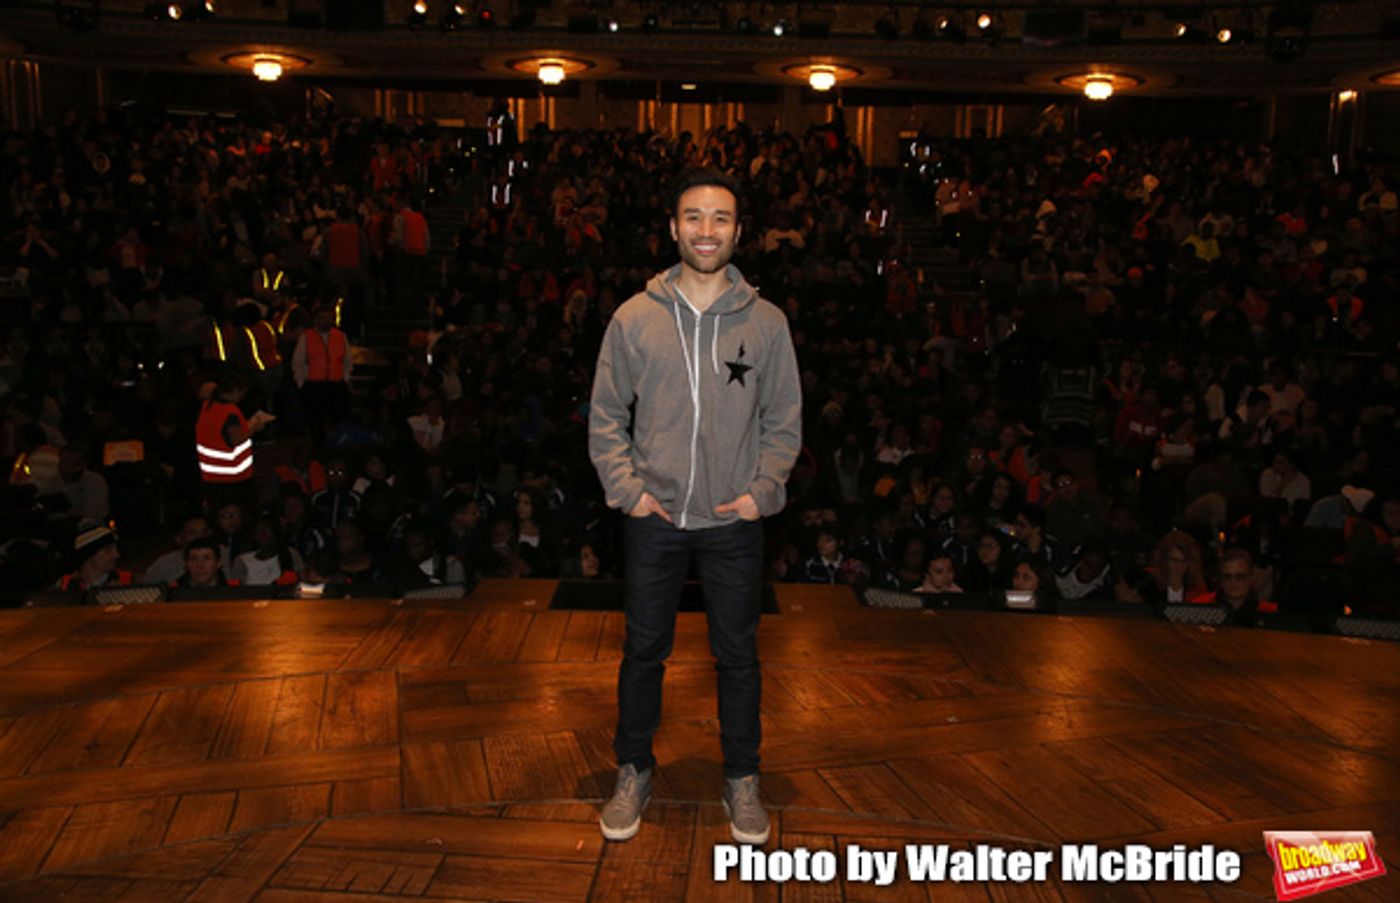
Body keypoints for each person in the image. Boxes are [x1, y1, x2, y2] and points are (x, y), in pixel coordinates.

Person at [588, 168, 801, 845]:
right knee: (642, 651)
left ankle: (742, 776)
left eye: (720, 218)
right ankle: (633, 768)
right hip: (655, 518)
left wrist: (760, 494)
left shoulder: (767, 323)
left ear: (739, 231)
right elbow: (603, 416)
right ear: (673, 227)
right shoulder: (634, 316)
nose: (706, 230)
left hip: (732, 519)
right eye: (694, 217)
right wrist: (629, 491)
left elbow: (784, 421)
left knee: (738, 657)